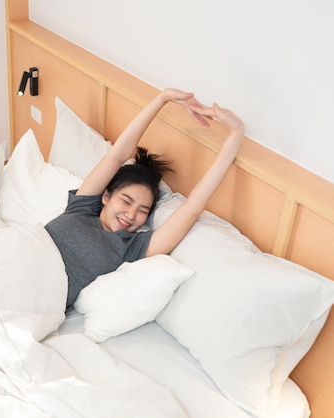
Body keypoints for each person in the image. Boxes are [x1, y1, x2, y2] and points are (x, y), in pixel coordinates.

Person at [44, 88, 245, 309]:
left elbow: (192, 209)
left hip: (39, 296)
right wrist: (162, 99)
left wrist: (236, 133)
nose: (131, 215)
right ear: (106, 196)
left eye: (143, 211)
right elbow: (116, 156)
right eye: (126, 201)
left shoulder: (132, 248)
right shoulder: (80, 207)